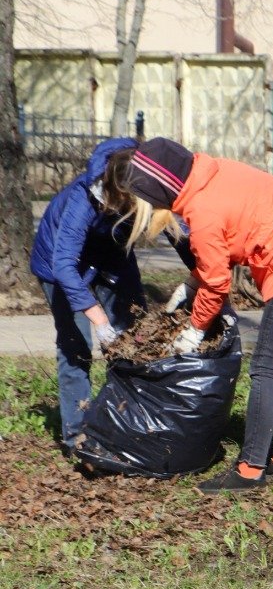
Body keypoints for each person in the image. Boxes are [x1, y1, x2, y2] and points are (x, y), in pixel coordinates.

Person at [103, 138, 273, 495]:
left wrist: (194, 329)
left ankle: (250, 470)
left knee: (266, 369)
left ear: (156, 190)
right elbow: (230, 239)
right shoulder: (214, 173)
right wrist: (190, 286)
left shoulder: (201, 211)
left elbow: (218, 285)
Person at [30, 137, 188, 450]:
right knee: (76, 347)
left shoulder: (144, 174)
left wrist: (204, 274)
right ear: (116, 195)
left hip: (113, 259)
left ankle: (131, 421)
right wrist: (99, 319)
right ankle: (79, 438)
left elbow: (175, 229)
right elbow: (64, 266)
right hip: (59, 263)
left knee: (136, 334)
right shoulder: (83, 200)